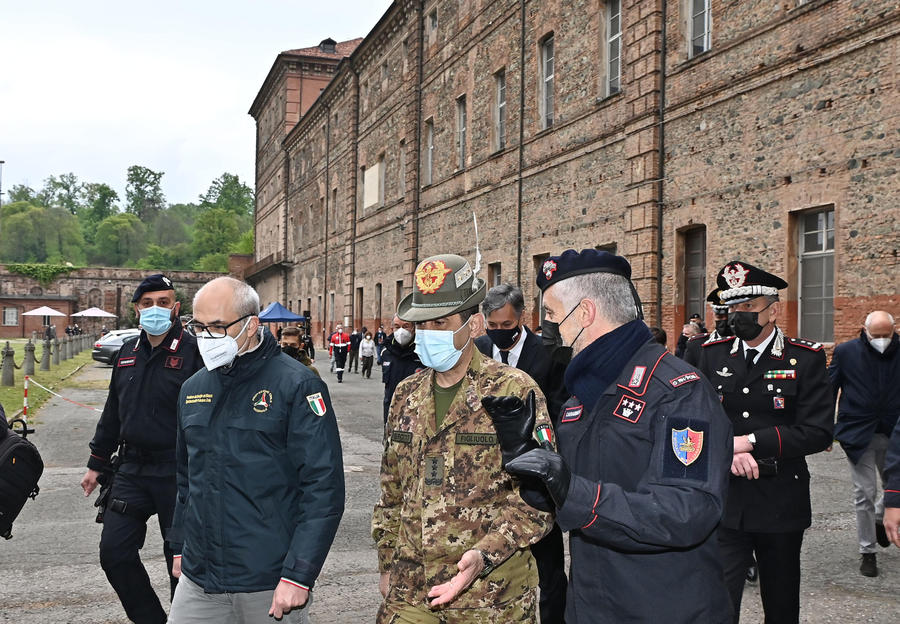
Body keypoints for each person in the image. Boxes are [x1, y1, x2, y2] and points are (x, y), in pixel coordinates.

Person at [497, 249, 733, 622]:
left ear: (585, 313)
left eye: (552, 316)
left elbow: (688, 510)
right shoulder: (583, 395)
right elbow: (563, 498)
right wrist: (525, 459)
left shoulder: (677, 392)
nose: (547, 329)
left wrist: (575, 493)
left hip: (664, 608)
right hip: (592, 603)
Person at [372, 253, 554, 622]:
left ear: (473, 325)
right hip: (411, 590)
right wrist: (387, 560)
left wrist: (485, 554)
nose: (428, 333)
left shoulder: (513, 391)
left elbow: (540, 495)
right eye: (423, 323)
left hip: (489, 594)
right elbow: (392, 490)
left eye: (441, 322)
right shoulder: (407, 393)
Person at [168, 276, 345, 623]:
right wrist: (179, 546)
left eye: (217, 327)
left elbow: (323, 488)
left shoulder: (297, 384)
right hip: (199, 578)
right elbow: (186, 478)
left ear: (251, 325)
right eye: (198, 326)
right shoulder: (193, 388)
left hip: (268, 580)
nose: (205, 337)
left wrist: (299, 573)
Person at [693, 260, 833, 623]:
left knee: (781, 604)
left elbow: (818, 431)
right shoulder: (711, 354)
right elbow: (694, 420)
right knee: (718, 603)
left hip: (780, 501)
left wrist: (750, 441)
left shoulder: (806, 358)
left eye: (748, 308)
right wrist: (728, 449)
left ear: (773, 310)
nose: (738, 316)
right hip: (725, 499)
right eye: (733, 308)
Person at [80, 274, 202, 624]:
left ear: (176, 308)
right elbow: (113, 412)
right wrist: (95, 464)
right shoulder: (127, 353)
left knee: (180, 564)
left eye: (163, 303)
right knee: (114, 553)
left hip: (179, 472)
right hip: (131, 470)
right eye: (147, 304)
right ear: (136, 310)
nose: (155, 309)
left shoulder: (195, 354)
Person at [474, 283, 569, 624]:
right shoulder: (480, 349)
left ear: (522, 318)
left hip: (534, 477)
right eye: (493, 326)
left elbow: (560, 409)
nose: (499, 333)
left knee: (550, 569)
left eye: (506, 326)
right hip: (486, 475)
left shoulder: (550, 353)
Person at [829, 310, 899, 576]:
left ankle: (880, 519)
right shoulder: (846, 352)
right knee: (864, 493)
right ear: (864, 330)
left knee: (894, 487)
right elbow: (830, 388)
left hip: (895, 432)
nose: (882, 340)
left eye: (887, 335)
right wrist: (826, 430)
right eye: (876, 336)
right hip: (858, 432)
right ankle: (867, 551)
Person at [380, 313, 423, 423]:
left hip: (417, 412)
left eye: (406, 326)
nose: (401, 331)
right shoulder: (386, 352)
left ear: (414, 328)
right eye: (397, 327)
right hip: (392, 410)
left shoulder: (422, 352)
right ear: (392, 328)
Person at [684, 288, 733, 366]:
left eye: (728, 317)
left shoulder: (747, 344)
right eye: (719, 317)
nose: (724, 321)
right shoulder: (696, 345)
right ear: (713, 315)